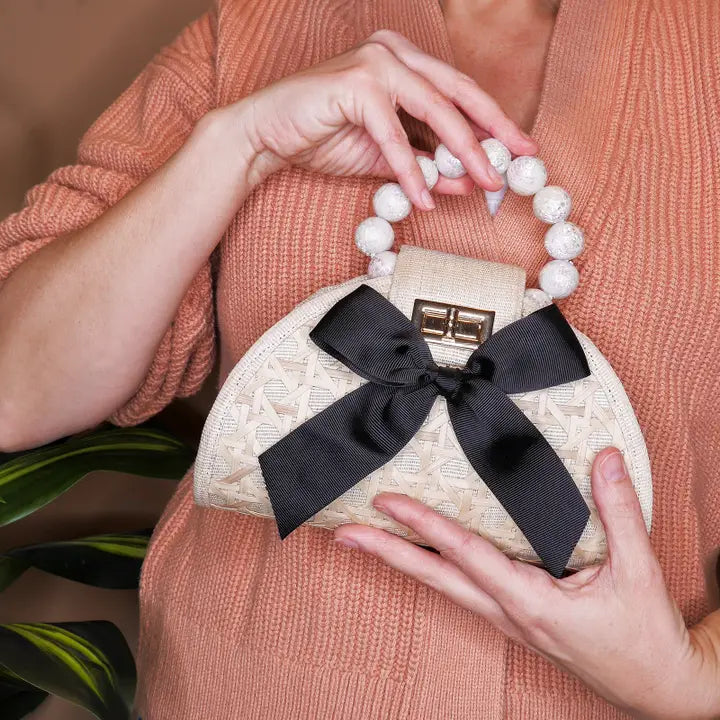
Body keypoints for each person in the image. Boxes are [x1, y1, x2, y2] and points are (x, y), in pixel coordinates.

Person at [1, 0, 719, 717]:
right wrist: (241, 145)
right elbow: (17, 390)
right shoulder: (258, 30)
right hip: (242, 692)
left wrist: (689, 680)